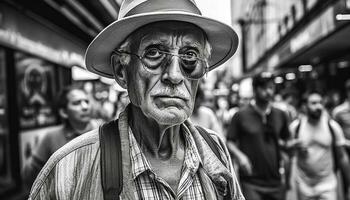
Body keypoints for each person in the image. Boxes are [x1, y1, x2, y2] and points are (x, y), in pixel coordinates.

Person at [28, 0, 245, 199]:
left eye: (189, 55)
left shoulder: (214, 150)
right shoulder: (70, 168)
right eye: (154, 53)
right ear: (122, 71)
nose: (175, 76)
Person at [226, 72, 292, 200]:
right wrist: (241, 157)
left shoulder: (280, 114)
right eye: (264, 88)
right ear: (255, 90)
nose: (268, 92)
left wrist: (293, 145)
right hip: (251, 182)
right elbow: (230, 142)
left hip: (276, 181)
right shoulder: (240, 116)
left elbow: (286, 140)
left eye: (271, 88)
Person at [23, 85, 100, 187]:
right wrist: (33, 158)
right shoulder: (51, 137)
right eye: (77, 103)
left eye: (86, 101)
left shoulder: (102, 131)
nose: (85, 107)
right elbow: (29, 177)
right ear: (64, 112)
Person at [289, 90, 350, 200]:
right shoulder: (295, 128)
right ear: (305, 106)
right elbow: (288, 152)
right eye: (313, 103)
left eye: (321, 102)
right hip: (304, 185)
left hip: (327, 185)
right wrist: (293, 146)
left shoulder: (332, 126)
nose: (318, 106)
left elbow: (342, 156)